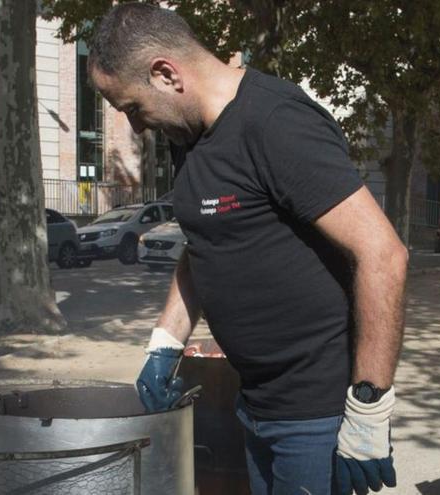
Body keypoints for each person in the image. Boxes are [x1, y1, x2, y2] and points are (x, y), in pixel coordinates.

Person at [87, 4, 408, 495]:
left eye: (131, 108)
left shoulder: (276, 121)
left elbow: (383, 254)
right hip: (254, 403)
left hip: (315, 415)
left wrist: (369, 406)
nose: (136, 127)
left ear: (166, 74)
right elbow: (205, 243)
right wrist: (164, 345)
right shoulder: (187, 137)